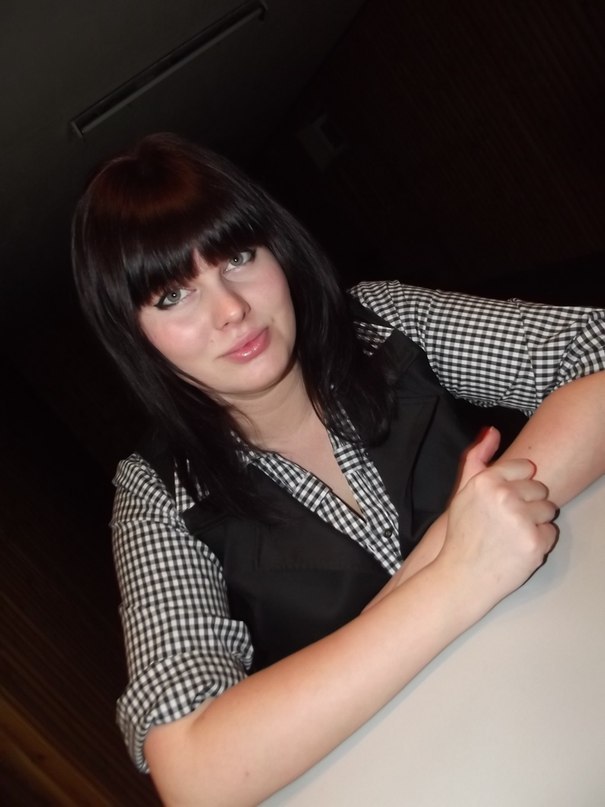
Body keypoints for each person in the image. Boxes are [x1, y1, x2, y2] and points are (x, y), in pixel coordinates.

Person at [71, 132, 604, 806]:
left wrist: (461, 546)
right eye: (172, 296)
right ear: (134, 335)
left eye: (238, 257)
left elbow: (592, 349)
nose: (230, 310)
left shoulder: (384, 321)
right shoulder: (156, 492)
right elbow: (193, 766)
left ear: (277, 247)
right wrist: (454, 574)